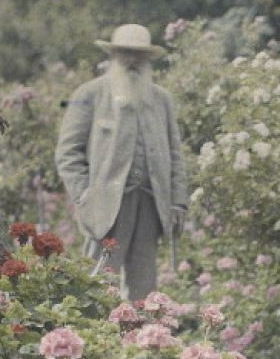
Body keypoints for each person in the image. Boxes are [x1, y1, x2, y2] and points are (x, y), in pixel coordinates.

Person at [55, 24, 188, 299]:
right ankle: (92, 340)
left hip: (150, 205)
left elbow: (176, 155)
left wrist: (177, 201)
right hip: (106, 207)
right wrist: (85, 196)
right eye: (126, 53)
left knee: (144, 288)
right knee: (98, 285)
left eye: (139, 55)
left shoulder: (162, 100)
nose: (132, 60)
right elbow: (68, 153)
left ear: (148, 59)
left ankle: (141, 340)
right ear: (114, 56)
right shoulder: (88, 95)